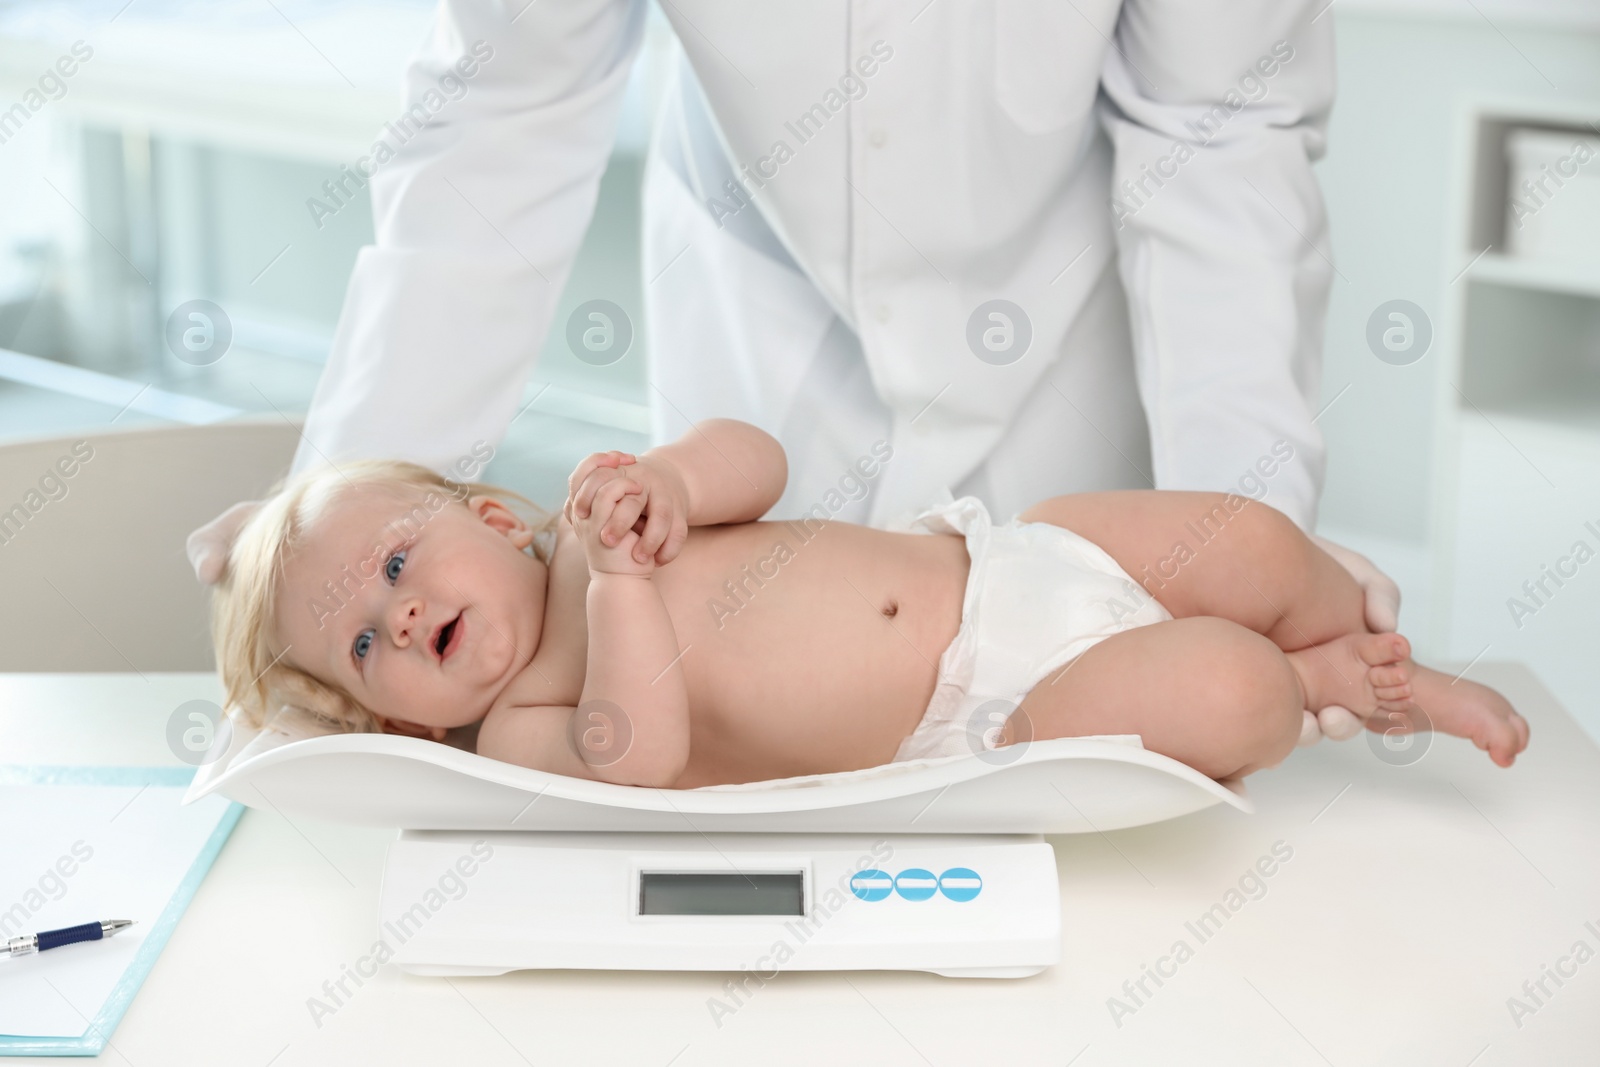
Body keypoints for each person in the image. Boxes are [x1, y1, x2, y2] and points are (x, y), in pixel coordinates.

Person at [191, 1, 1398, 738]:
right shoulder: (568, 589)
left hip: (1065, 318)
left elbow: (1221, 122)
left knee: (1135, 729)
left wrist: (1257, 515)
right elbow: (504, 106)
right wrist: (323, 532)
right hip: (763, 305)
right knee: (767, 790)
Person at [210, 420, 1527, 790]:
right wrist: (621, 593)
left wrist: (672, 476)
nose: (400, 616)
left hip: (1001, 560)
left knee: (1242, 538)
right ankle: (1331, 683)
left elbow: (760, 460)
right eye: (367, 645)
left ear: (492, 517)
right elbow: (642, 751)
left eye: (395, 567)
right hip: (989, 713)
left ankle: (1336, 625)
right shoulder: (525, 725)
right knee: (1227, 687)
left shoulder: (603, 514)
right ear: (403, 719)